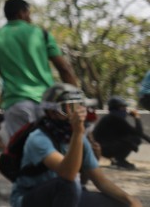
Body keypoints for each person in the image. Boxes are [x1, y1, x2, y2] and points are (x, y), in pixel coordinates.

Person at [10, 83, 141, 207]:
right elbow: (68, 174)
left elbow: (100, 181)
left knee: (120, 203)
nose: (75, 112)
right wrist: (78, 132)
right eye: (68, 108)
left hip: (66, 196)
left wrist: (130, 200)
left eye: (78, 106)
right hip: (29, 198)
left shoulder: (78, 137)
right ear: (51, 112)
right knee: (69, 185)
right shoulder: (38, 138)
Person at [0, 0, 78, 142]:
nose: (30, 17)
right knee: (51, 150)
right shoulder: (41, 34)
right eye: (29, 13)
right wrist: (75, 99)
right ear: (21, 13)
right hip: (47, 104)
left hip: (15, 104)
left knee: (20, 152)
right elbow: (64, 68)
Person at [92, 97, 149, 171]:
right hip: (104, 148)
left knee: (131, 138)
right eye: (122, 107)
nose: (125, 110)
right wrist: (137, 118)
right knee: (134, 139)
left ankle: (117, 160)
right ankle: (119, 160)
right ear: (115, 108)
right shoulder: (114, 118)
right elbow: (138, 133)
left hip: (105, 146)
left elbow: (137, 133)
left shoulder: (112, 118)